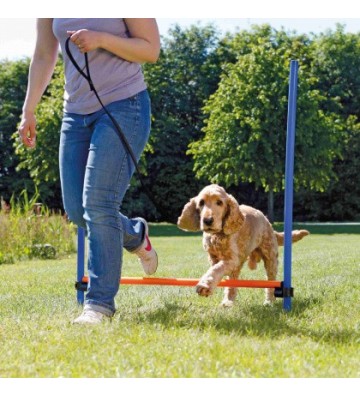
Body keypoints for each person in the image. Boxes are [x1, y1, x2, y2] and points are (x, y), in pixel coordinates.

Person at [18, 18, 161, 325]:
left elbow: (151, 50)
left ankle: (98, 305)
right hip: (75, 114)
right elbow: (44, 53)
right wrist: (29, 109)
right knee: (76, 209)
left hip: (125, 105)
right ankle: (135, 235)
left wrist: (101, 39)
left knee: (99, 202)